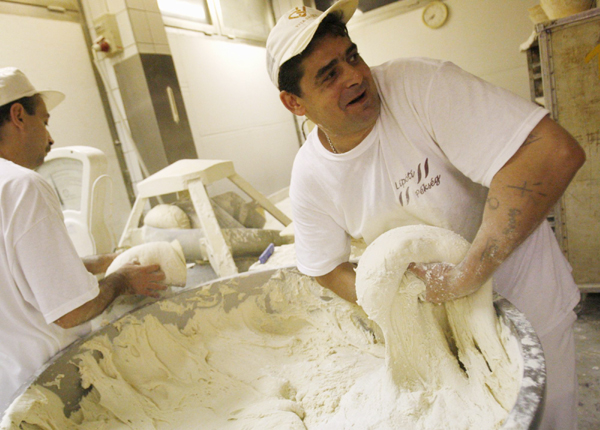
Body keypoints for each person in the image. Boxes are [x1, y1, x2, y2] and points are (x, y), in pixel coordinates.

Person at [266, 1, 586, 429]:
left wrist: (467, 275)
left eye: (352, 56)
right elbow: (324, 266)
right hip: (444, 339)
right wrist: (401, 304)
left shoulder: (419, 86)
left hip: (527, 310)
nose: (356, 76)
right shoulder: (311, 175)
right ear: (294, 103)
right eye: (329, 75)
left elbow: (552, 152)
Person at [0, 67, 167, 409]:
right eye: (44, 121)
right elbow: (71, 313)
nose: (50, 138)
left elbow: (16, 277)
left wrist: (95, 264)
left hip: (10, 393)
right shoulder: (22, 186)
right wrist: (121, 280)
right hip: (54, 386)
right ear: (18, 115)